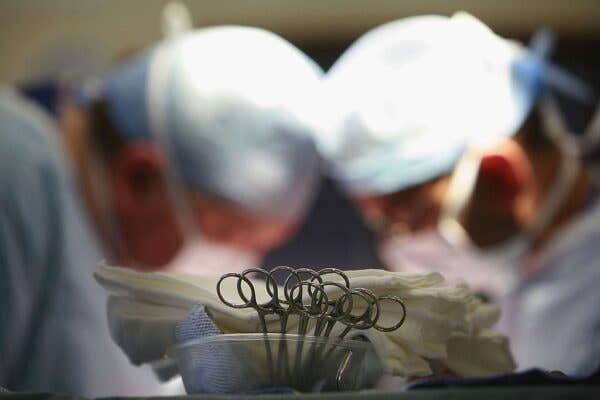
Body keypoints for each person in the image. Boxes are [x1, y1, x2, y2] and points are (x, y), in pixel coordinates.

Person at [0, 26, 322, 395]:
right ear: (139, 180)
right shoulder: (14, 168)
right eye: (226, 234)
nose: (241, 264)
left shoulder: (120, 269)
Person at [317, 12, 600, 376]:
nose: (394, 246)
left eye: (406, 219)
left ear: (502, 177)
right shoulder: (498, 295)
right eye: (377, 223)